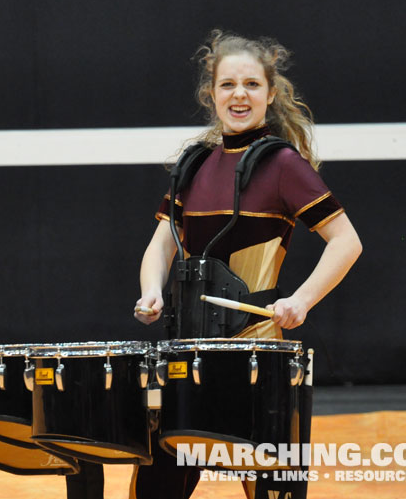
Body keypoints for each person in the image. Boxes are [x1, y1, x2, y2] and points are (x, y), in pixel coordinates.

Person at [130, 30, 362, 498]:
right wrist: (151, 289)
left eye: (252, 85)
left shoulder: (283, 165)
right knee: (155, 487)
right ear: (211, 94)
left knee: (269, 489)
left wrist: (301, 300)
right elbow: (161, 245)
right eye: (228, 85)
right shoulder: (193, 165)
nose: (240, 95)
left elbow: (346, 241)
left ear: (270, 94)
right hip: (186, 355)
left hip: (253, 352)